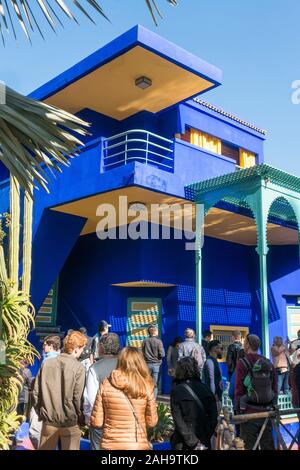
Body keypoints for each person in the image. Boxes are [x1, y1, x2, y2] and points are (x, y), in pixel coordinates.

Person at [90, 347, 158, 450]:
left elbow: (97, 422)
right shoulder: (146, 386)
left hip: (111, 444)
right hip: (137, 444)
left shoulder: (106, 384)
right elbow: (152, 422)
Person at [32, 331, 87, 450]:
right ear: (76, 349)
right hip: (70, 423)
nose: (83, 351)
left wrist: (42, 413)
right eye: (82, 348)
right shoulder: (79, 368)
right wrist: (81, 419)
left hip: (49, 421)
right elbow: (78, 399)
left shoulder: (46, 364)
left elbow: (36, 393)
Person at [235, 334, 277, 450]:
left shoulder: (242, 363)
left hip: (249, 413)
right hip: (267, 412)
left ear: (248, 345)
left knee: (250, 446)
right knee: (268, 446)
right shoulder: (268, 362)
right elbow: (274, 387)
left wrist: (240, 411)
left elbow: (238, 389)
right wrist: (273, 406)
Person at [170, 357, 218, 450]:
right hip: (203, 441)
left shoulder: (177, 390)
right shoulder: (206, 389)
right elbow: (213, 417)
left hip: (183, 442)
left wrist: (192, 441)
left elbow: (178, 419)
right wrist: (205, 437)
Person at [83, 333, 120, 450]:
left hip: (101, 418)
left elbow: (90, 397)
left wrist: (88, 415)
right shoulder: (124, 366)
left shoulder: (95, 368)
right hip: (122, 418)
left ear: (101, 347)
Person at [29, 335, 61, 449]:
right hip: (54, 404)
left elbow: (41, 384)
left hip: (43, 401)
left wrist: (36, 401)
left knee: (34, 431)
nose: (43, 348)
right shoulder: (59, 360)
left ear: (51, 346)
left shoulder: (48, 361)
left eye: (45, 345)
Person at [142, 325, 165, 397]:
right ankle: (153, 400)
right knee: (154, 384)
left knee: (146, 382)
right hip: (156, 365)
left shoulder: (145, 341)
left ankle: (146, 398)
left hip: (146, 364)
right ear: (155, 332)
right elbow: (162, 354)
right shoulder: (159, 342)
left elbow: (142, 352)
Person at [203, 340, 224, 413]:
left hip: (217, 396)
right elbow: (211, 380)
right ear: (215, 349)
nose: (222, 351)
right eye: (221, 348)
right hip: (214, 398)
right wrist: (214, 396)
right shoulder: (210, 361)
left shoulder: (214, 361)